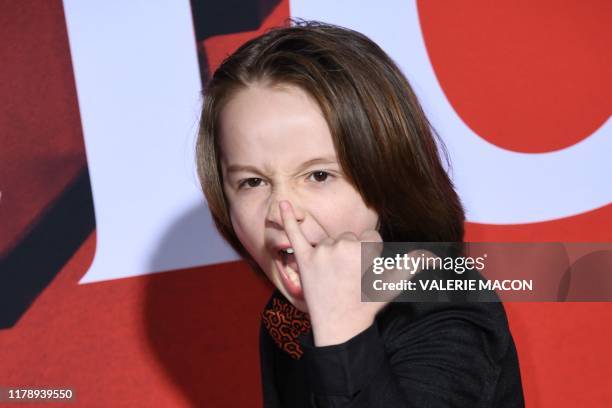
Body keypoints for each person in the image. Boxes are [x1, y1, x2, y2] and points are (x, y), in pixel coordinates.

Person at [195, 20, 524, 407]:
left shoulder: (445, 304)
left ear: (385, 176)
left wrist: (343, 335)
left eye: (318, 175)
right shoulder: (283, 317)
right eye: (253, 182)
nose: (282, 212)